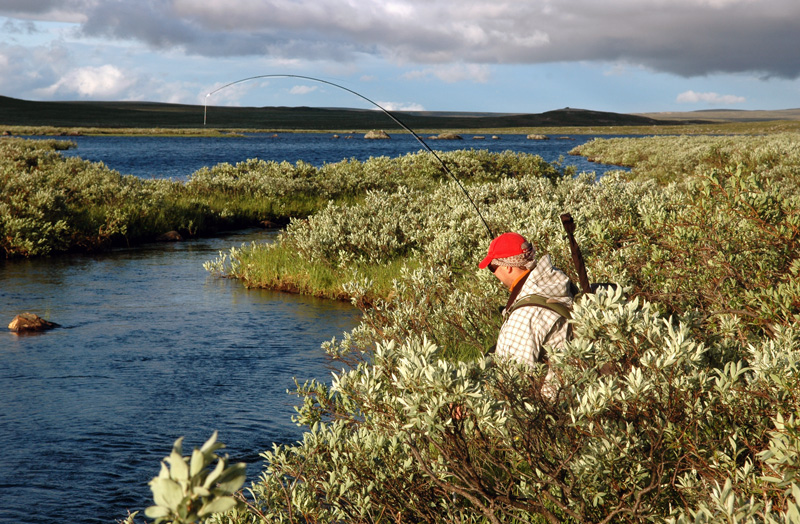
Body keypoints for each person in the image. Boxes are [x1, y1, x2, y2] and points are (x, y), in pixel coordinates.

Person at [479, 232, 574, 396]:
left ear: (508, 267)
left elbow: (514, 382)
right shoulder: (555, 282)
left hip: (552, 409)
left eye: (492, 267)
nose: (492, 273)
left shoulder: (524, 316)